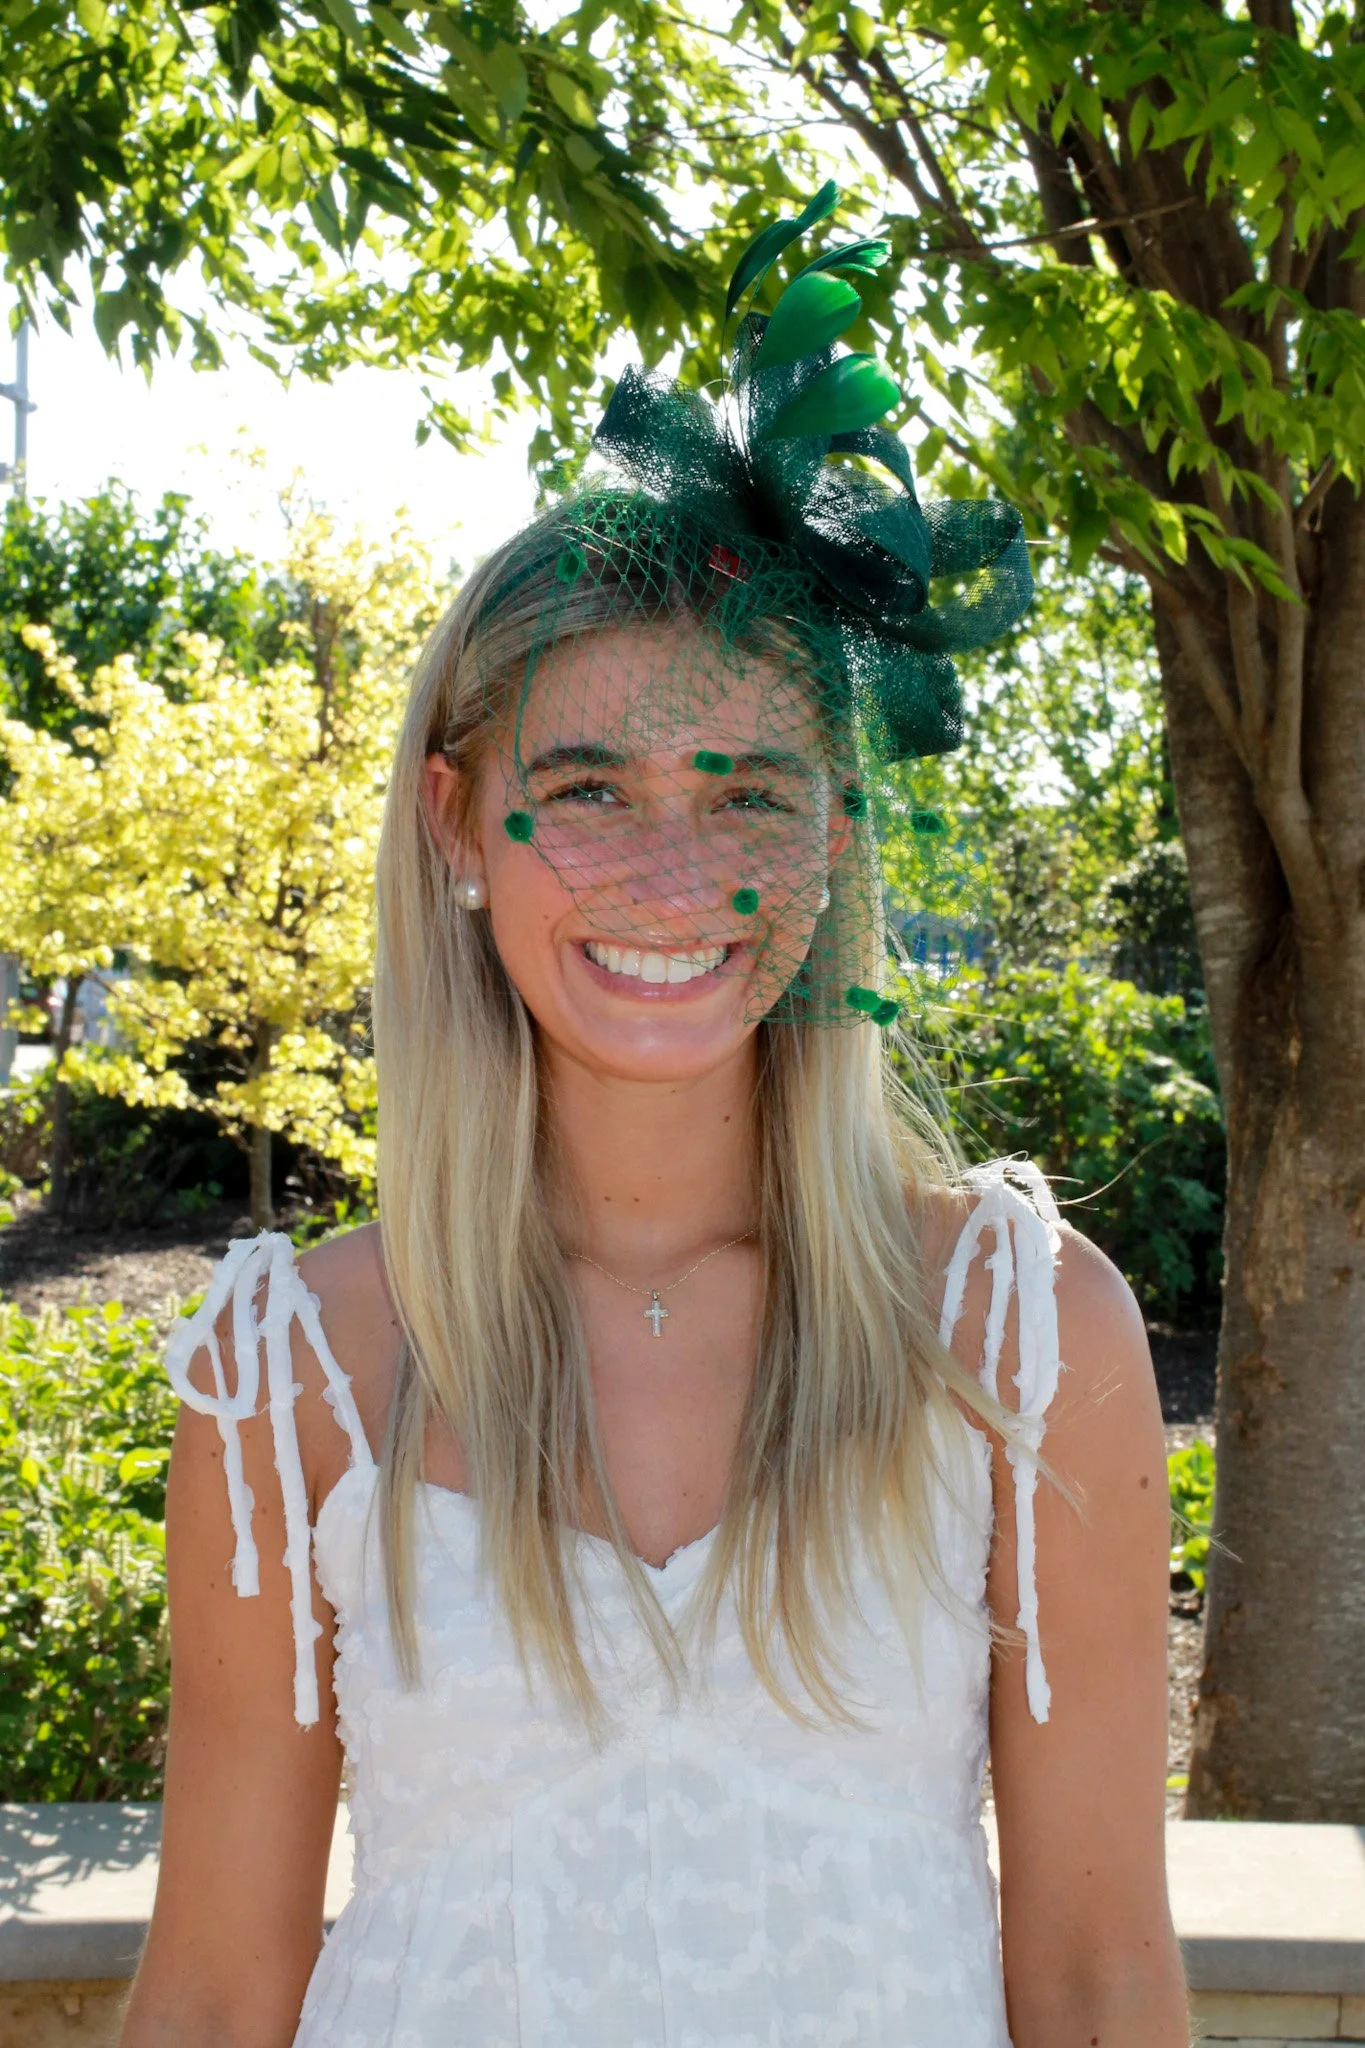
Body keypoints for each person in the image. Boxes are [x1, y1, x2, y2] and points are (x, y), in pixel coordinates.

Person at [121, 186, 1188, 2048]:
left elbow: (1100, 1986)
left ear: (840, 834)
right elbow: (215, 1991)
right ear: (458, 823)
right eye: (590, 787)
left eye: (752, 791)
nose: (675, 874)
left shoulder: (1022, 1335)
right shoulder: (287, 1372)